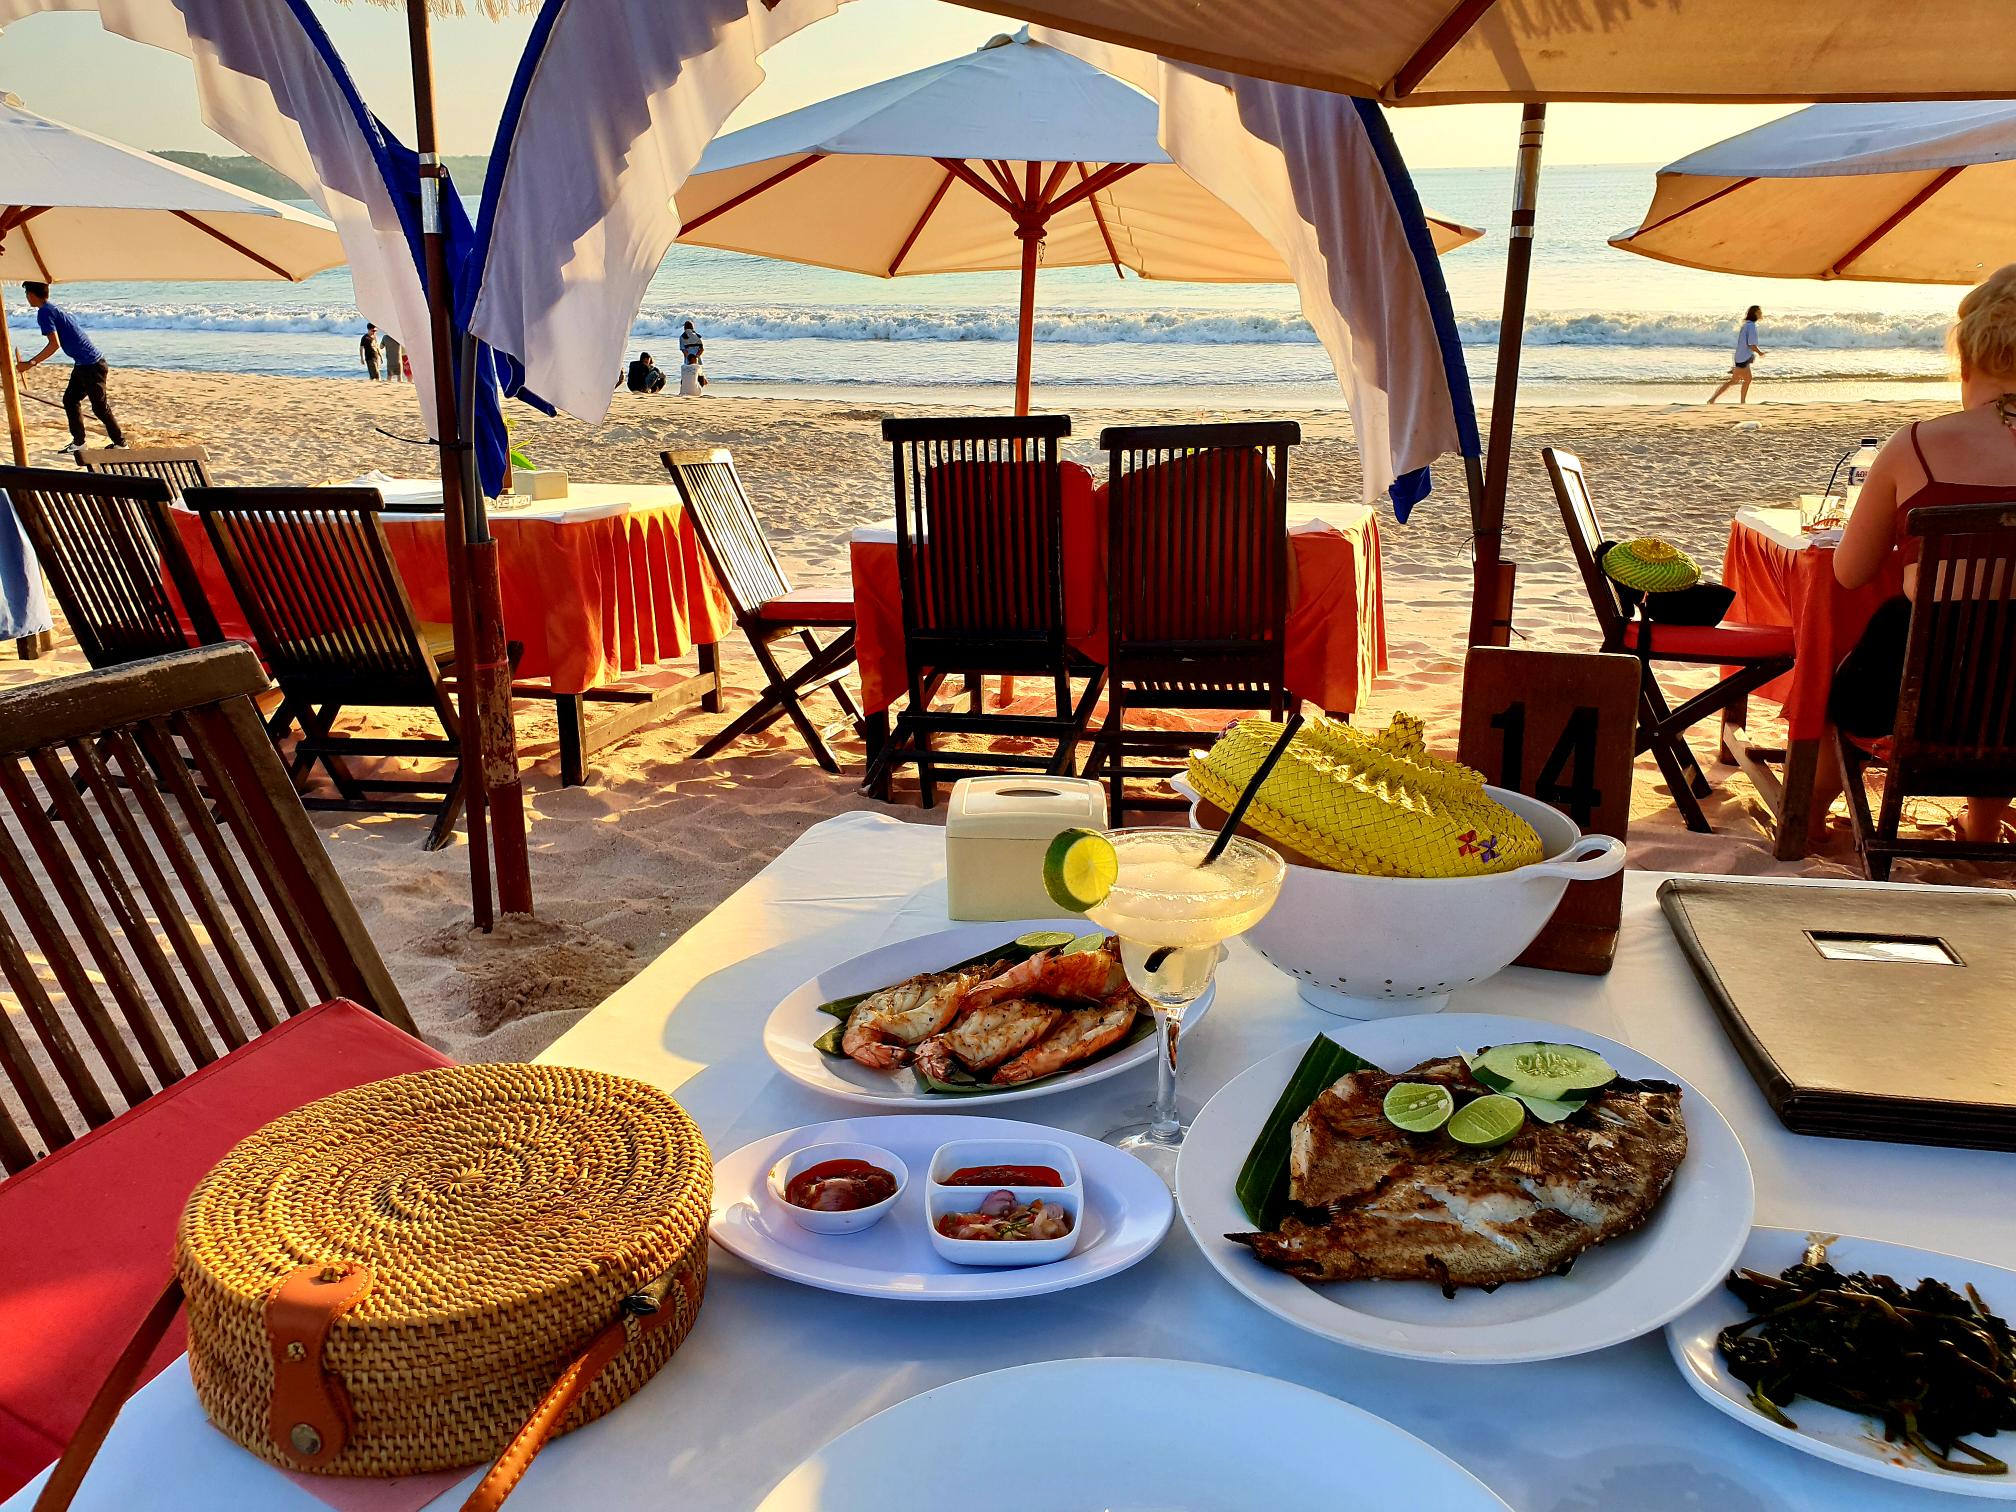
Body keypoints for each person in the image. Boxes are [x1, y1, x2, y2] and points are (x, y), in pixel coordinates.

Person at [1824, 263, 2016, 845]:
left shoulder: (1918, 446)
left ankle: (1810, 811)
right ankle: (1983, 823)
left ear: (1965, 359)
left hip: (1920, 700)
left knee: (1892, 638)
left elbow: (1850, 571)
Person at [16, 282, 124, 455]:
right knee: (70, 400)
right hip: (83, 364)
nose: (27, 297)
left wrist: (30, 364)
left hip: (92, 365)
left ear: (31, 294)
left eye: (27, 293)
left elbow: (54, 345)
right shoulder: (53, 309)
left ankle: (121, 443)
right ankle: (79, 442)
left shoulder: (45, 312)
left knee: (99, 407)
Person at [1708, 305, 1764, 404]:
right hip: (1742, 359)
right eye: (1760, 312)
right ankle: (1741, 401)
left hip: (1740, 357)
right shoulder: (1751, 326)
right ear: (1755, 313)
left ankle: (1713, 399)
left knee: (1735, 381)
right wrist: (1760, 353)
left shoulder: (1747, 325)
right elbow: (1751, 345)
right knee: (1743, 380)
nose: (1761, 314)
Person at [678, 320, 708, 395]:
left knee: (686, 375)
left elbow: (684, 351)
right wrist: (697, 356)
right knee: (700, 376)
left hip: (688, 359)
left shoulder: (682, 337)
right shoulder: (698, 336)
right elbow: (702, 349)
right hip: (697, 359)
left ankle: (685, 389)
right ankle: (698, 390)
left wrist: (688, 358)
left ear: (684, 328)